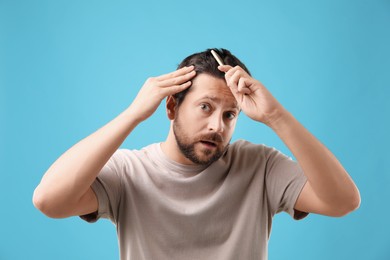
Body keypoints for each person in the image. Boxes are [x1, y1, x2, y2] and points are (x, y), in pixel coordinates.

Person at [33, 48, 360, 260]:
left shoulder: (259, 166)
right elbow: (49, 200)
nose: (217, 125)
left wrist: (276, 116)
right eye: (205, 107)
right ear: (172, 106)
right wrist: (132, 114)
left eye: (229, 115)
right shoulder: (129, 171)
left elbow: (343, 201)